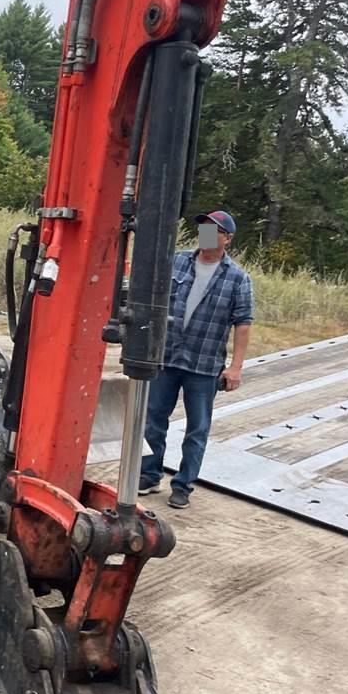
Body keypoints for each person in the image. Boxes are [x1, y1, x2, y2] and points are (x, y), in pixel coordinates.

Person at [138, 210, 254, 509]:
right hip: (167, 357)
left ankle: (183, 485)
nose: (206, 232)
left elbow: (243, 323)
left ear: (227, 238)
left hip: (203, 365)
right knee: (153, 420)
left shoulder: (237, 278)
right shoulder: (176, 261)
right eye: (203, 227)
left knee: (197, 428)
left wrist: (236, 367)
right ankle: (149, 475)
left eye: (213, 229)